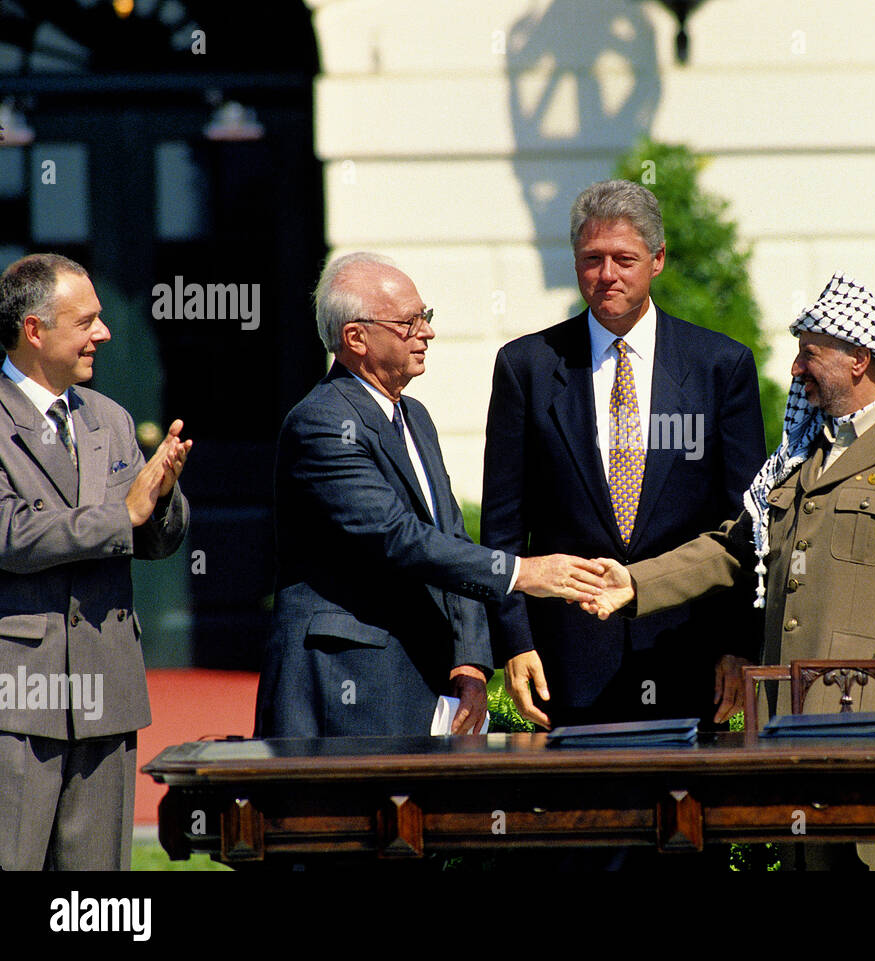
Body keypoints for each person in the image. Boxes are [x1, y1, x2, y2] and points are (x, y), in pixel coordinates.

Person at [586, 272, 875, 717]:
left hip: (873, 719)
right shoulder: (798, 456)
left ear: (858, 360)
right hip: (782, 712)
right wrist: (635, 581)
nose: (796, 369)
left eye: (808, 355)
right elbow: (732, 550)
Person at [253, 253, 605, 738]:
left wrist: (471, 663)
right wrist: (524, 572)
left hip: (424, 683)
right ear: (356, 337)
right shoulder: (323, 421)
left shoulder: (413, 416)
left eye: (427, 316)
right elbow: (399, 538)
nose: (427, 332)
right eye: (408, 321)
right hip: (345, 684)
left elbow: (449, 536)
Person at [481, 179, 766, 729]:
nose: (606, 274)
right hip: (565, 662)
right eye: (591, 259)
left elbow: (746, 524)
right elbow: (504, 526)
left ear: (657, 259)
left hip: (690, 653)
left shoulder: (719, 366)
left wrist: (738, 645)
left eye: (623, 258)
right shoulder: (528, 367)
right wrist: (514, 643)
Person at [0, 253, 191, 870]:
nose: (102, 334)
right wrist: (122, 516)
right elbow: (11, 534)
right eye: (86, 321)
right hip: (21, 696)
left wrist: (161, 499)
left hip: (107, 692)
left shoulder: (108, 417)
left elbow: (155, 539)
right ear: (35, 330)